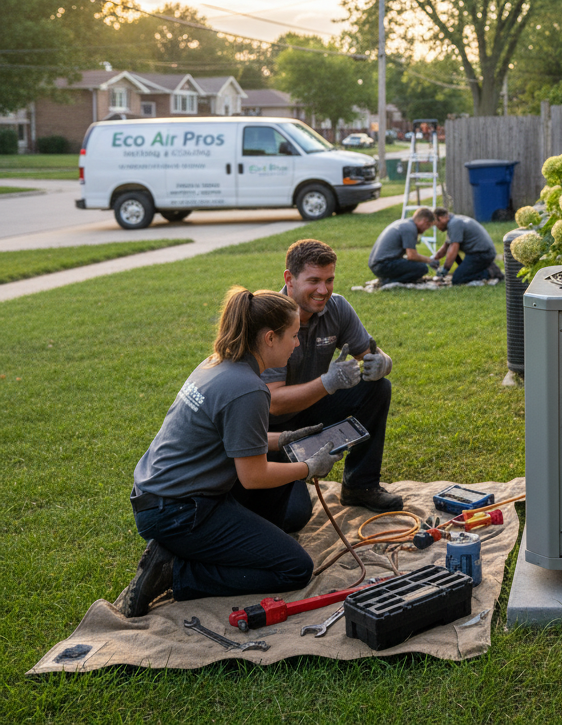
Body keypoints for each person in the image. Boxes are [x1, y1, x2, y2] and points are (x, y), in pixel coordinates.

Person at [120, 286, 344, 618]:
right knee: (295, 569)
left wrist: (283, 439)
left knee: (287, 506)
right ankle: (175, 571)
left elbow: (229, 437)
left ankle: (192, 552)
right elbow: (253, 477)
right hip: (180, 512)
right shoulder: (248, 389)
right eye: (293, 336)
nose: (297, 344)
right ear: (270, 338)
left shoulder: (218, 363)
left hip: (160, 496)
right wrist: (309, 468)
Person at [264, 238, 402, 513]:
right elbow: (273, 403)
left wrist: (382, 362)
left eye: (329, 280)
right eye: (314, 280)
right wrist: (328, 382)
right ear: (289, 278)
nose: (323, 290)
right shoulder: (268, 318)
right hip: (269, 429)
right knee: (293, 515)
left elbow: (370, 353)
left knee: (377, 387)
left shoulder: (336, 308)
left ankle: (360, 485)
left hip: (312, 408)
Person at [433, 207, 503, 285]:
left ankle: (490, 272)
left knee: (458, 279)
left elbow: (453, 248)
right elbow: (446, 246)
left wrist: (445, 269)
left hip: (481, 254)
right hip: (482, 252)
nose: (437, 227)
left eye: (436, 224)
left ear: (441, 218)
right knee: (454, 256)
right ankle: (482, 268)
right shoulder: (455, 221)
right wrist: (433, 259)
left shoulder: (454, 224)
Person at [367, 207, 437, 284]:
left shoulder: (403, 223)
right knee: (422, 268)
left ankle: (388, 279)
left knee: (415, 265)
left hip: (376, 264)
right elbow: (412, 256)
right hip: (383, 265)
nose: (426, 229)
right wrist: (430, 260)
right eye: (428, 226)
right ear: (424, 221)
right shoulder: (410, 229)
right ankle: (389, 282)